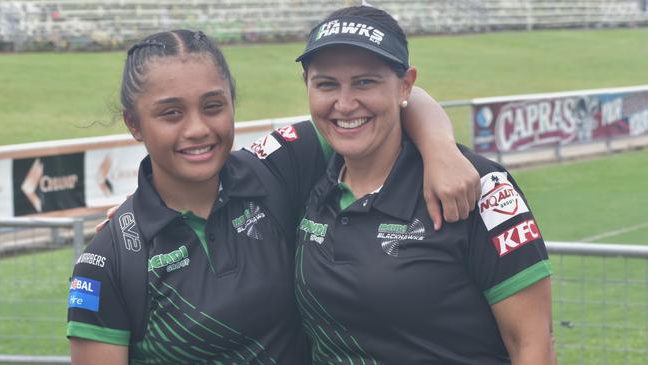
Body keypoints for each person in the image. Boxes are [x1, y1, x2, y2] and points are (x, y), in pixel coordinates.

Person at [67, 29, 480, 364]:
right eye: (171, 113)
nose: (197, 129)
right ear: (134, 123)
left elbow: (392, 96)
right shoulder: (110, 258)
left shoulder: (276, 167)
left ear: (232, 104)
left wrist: (440, 147)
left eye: (213, 106)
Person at [293, 5, 556, 365]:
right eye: (326, 84)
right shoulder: (305, 172)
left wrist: (440, 146)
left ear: (406, 85)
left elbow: (532, 345)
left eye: (365, 81)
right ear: (306, 85)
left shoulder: (482, 186)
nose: (345, 103)